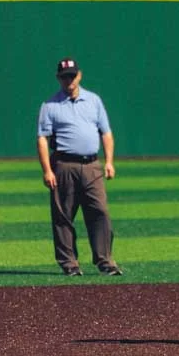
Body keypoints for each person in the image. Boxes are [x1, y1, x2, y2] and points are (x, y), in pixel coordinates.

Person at [36, 57, 122, 276]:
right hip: (64, 165)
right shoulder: (50, 105)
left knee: (100, 211)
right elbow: (43, 138)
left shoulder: (93, 100)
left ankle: (105, 261)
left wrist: (109, 161)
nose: (70, 80)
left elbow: (106, 133)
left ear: (79, 75)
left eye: (72, 76)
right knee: (63, 216)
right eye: (65, 77)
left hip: (92, 164)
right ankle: (69, 263)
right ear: (59, 78)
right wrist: (47, 170)